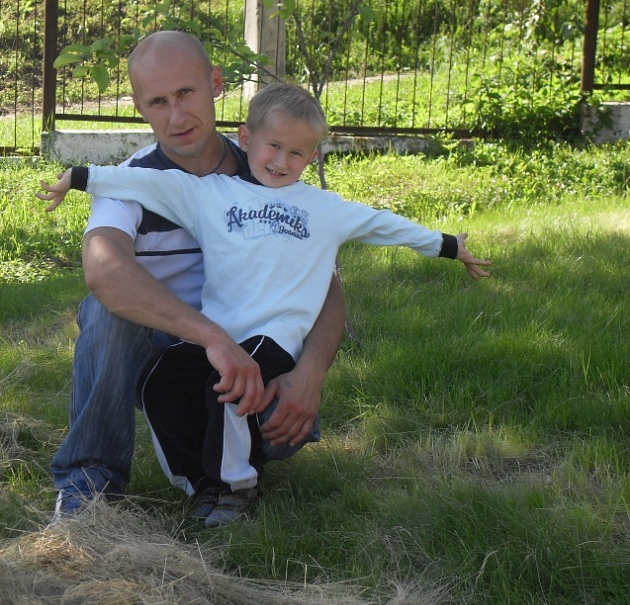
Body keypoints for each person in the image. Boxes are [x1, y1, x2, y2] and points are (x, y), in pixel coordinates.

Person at [38, 82, 492, 527]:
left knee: (231, 388)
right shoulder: (212, 193)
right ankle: (200, 480)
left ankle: (236, 486)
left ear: (311, 157)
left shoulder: (325, 208)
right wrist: (79, 178)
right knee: (161, 382)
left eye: (296, 153)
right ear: (246, 138)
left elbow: (386, 225)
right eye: (273, 146)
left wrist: (450, 246)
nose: (281, 161)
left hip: (274, 336)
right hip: (221, 331)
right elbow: (150, 184)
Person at [39, 31, 347, 519]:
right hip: (164, 355)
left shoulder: (268, 172)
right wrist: (211, 338)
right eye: (158, 102)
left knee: (280, 432)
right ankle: (88, 483)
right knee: (106, 311)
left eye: (186, 93)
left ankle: (224, 465)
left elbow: (324, 286)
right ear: (139, 108)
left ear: (216, 84)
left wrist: (309, 376)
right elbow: (103, 269)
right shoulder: (131, 182)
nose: (177, 117)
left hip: (248, 354)